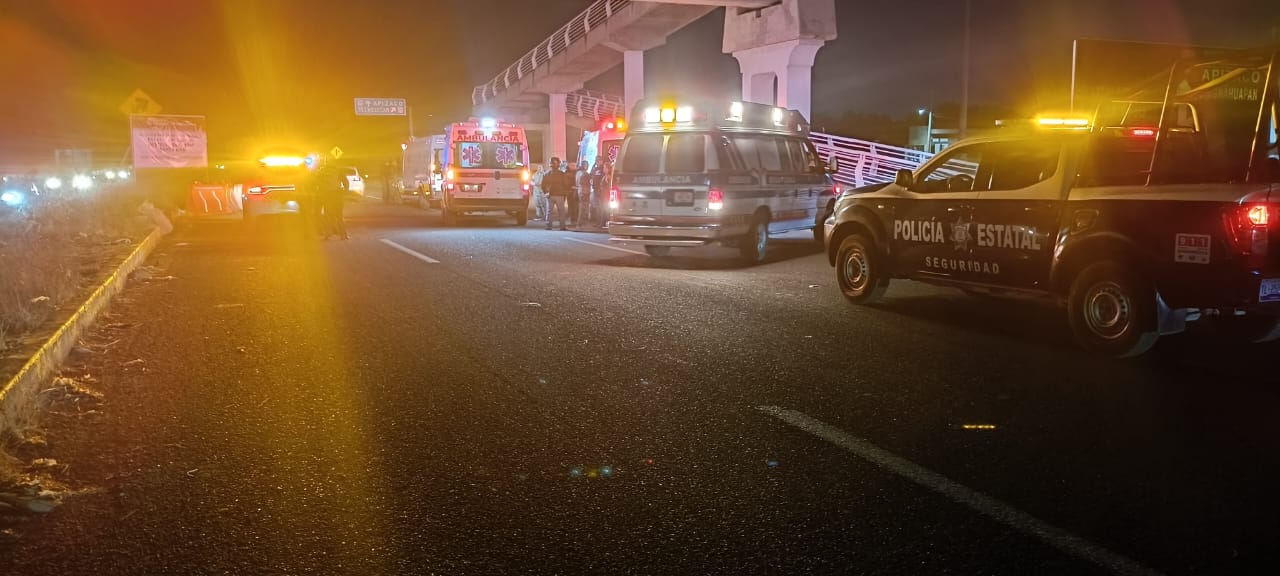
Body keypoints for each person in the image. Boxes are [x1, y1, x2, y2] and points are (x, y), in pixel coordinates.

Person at [315, 160, 349, 240]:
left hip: (327, 195)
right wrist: (345, 191)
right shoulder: (338, 171)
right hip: (337, 195)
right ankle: (343, 235)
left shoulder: (321, 171)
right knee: (339, 215)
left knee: (328, 215)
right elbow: (346, 182)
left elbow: (317, 183)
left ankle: (328, 234)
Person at [542, 157, 572, 231]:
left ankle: (548, 226)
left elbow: (543, 185)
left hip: (550, 195)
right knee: (561, 211)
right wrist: (566, 192)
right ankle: (562, 226)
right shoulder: (562, 174)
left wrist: (546, 192)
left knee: (549, 211)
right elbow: (566, 184)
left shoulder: (547, 174)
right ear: (558, 164)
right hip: (559, 195)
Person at [589, 156, 606, 229]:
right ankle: (598, 222)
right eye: (596, 160)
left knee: (601, 208)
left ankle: (601, 222)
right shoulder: (595, 168)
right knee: (596, 207)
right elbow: (591, 175)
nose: (598, 162)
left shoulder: (603, 169)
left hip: (601, 191)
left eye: (599, 160)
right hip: (595, 190)